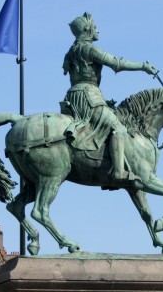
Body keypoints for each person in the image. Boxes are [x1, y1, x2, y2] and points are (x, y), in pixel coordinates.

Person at [61, 12, 157, 181]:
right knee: (118, 128)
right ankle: (119, 171)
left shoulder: (71, 51)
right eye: (95, 27)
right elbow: (116, 64)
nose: (98, 30)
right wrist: (142, 66)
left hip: (72, 98)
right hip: (89, 97)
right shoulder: (89, 49)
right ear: (87, 29)